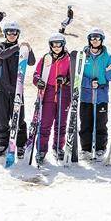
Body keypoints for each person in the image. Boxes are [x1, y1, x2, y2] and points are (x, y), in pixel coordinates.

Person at [0, 21, 36, 158]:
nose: (12, 35)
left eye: (15, 32)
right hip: (1, 88)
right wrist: (18, 46)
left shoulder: (22, 49)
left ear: (18, 34)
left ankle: (20, 144)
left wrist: (29, 49)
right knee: (1, 119)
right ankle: (2, 144)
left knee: (19, 119)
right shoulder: (0, 46)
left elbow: (31, 62)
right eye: (9, 32)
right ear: (5, 33)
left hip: (17, 89)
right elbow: (2, 55)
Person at [32, 33, 71, 164]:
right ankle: (41, 150)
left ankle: (58, 148)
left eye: (59, 44)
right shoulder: (45, 59)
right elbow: (36, 74)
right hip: (48, 96)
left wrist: (65, 80)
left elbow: (74, 79)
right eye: (54, 44)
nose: (56, 47)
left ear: (63, 45)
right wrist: (38, 81)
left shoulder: (69, 59)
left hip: (63, 95)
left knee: (61, 125)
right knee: (45, 124)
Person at [79, 28, 111, 160]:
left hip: (101, 96)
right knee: (85, 123)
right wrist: (89, 83)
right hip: (86, 96)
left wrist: (108, 72)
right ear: (89, 40)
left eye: (98, 38)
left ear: (101, 40)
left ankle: (100, 148)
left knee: (101, 123)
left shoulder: (108, 57)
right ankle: (86, 148)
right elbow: (78, 76)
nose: (95, 40)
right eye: (92, 38)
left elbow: (110, 78)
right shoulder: (83, 56)